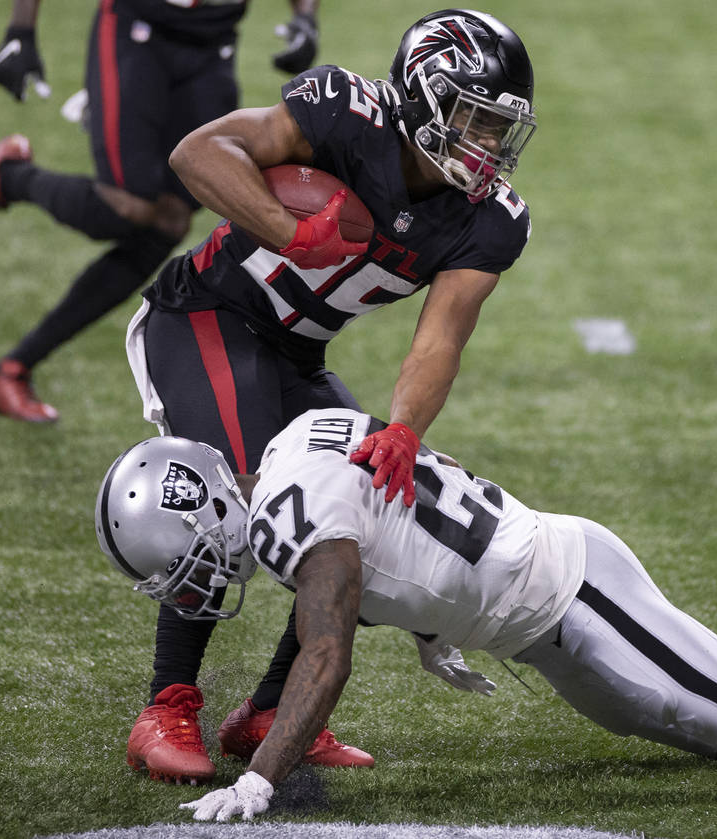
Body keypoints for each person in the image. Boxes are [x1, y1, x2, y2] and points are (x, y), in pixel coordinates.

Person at [94, 409, 717, 823]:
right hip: (541, 615)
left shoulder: (295, 521)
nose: (188, 587)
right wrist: (436, 621)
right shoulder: (287, 451)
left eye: (180, 561)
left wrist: (262, 783)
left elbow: (324, 649)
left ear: (208, 502)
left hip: (573, 592)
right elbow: (396, 517)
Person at [116, 10, 538, 784]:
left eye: (500, 126)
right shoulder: (344, 113)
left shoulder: (490, 220)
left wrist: (404, 429)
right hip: (205, 313)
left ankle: (272, 710)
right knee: (236, 502)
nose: (487, 144)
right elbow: (197, 151)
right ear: (421, 96)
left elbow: (440, 337)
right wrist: (284, 228)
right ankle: (166, 705)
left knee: (362, 502)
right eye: (475, 117)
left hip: (292, 348)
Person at [0, 0, 322, 422]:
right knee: (132, 204)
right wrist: (21, 30)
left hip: (214, 45)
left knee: (170, 219)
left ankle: (10, 370)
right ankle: (9, 179)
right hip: (136, 29)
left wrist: (306, 17)